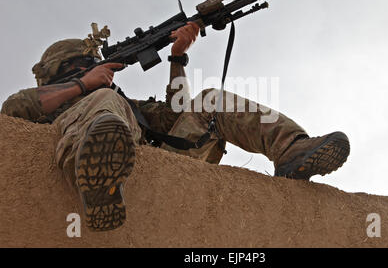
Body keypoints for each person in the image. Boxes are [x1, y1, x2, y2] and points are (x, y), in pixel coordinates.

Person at [1, 22, 350, 231]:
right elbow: (12, 109)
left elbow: (177, 114)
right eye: (83, 66)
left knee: (210, 99)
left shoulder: (124, 105)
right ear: (65, 72)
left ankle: (291, 149)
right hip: (98, 165)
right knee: (105, 106)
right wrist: (84, 86)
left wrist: (178, 56)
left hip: (155, 163)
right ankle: (100, 186)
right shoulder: (61, 103)